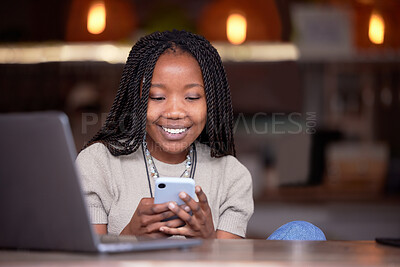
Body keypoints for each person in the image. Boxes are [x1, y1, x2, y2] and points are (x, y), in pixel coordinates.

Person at [76, 29, 326, 241]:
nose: (175, 112)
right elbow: (83, 262)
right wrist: (130, 235)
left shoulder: (231, 175)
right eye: (158, 97)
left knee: (303, 234)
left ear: (211, 102)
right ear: (137, 99)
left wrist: (209, 240)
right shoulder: (97, 162)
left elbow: (228, 263)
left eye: (192, 97)